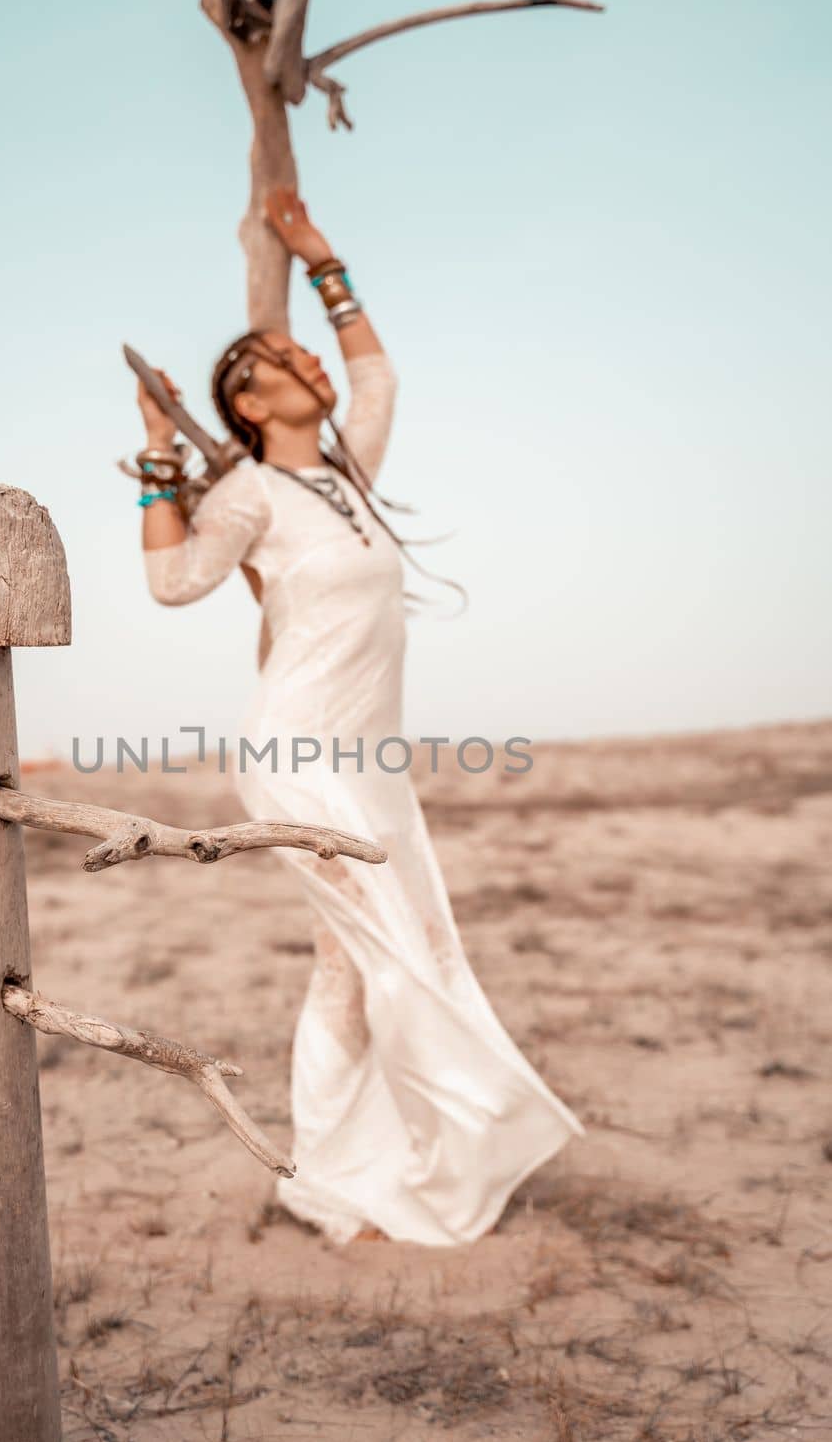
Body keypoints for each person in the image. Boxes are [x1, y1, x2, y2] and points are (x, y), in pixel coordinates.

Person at [130, 185, 584, 1245]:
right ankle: (355, 1166)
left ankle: (336, 1167)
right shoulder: (247, 494)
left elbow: (376, 371)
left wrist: (324, 264)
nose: (317, 367)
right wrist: (158, 455)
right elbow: (171, 584)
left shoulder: (346, 477)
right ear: (248, 400)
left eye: (309, 355)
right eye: (290, 361)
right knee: (383, 954)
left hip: (371, 761)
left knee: (375, 953)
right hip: (295, 754)